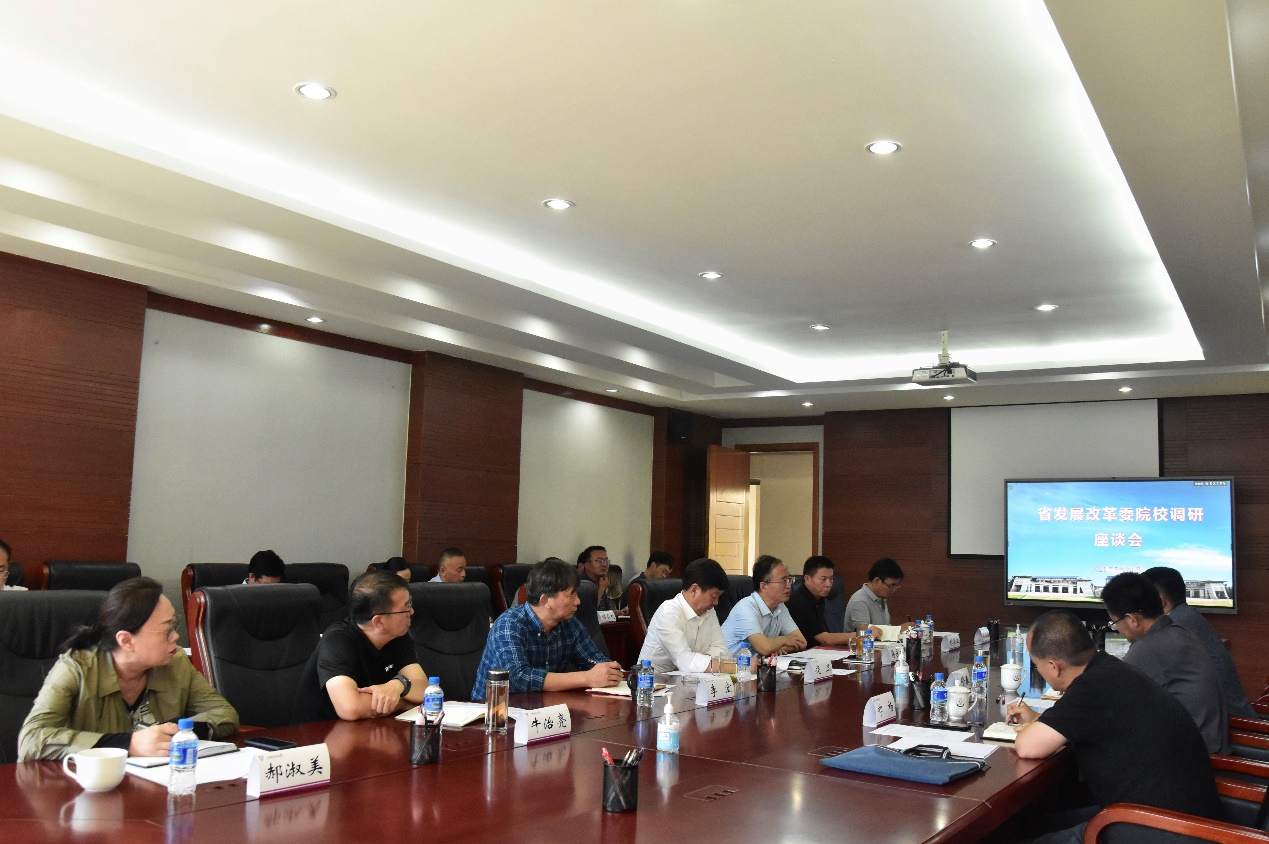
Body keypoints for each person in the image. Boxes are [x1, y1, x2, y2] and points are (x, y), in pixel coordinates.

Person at [1007, 610, 1220, 844]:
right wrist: (1039, 720)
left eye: (1036, 665)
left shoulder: (1091, 688)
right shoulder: (1110, 670)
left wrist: (1033, 729)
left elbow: (1028, 747)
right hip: (1180, 818)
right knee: (1032, 825)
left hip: (1159, 829)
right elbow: (1086, 719)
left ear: (1053, 666)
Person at [18, 577, 239, 761]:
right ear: (126, 640)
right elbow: (31, 739)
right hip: (85, 788)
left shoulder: (176, 662)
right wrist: (128, 744)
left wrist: (177, 732)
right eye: (166, 630)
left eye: (175, 625)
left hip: (154, 784)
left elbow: (224, 713)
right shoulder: (76, 668)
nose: (175, 636)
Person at [1100, 572, 1229, 754]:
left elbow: (1110, 701)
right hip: (1209, 746)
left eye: (1114, 623)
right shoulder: (1180, 632)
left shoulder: (1147, 648)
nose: (1117, 629)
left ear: (1132, 619)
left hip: (1195, 759)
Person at [472, 558, 622, 700]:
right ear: (545, 600)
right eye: (571, 595)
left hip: (543, 708)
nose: (578, 601)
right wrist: (586, 678)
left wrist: (610, 671)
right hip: (494, 711)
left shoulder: (569, 623)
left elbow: (595, 659)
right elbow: (518, 678)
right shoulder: (509, 624)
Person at [293, 570, 428, 723]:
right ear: (379, 621)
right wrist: (405, 703)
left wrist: (398, 686)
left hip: (369, 727)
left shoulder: (397, 636)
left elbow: (424, 689)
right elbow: (350, 708)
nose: (412, 611)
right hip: (320, 732)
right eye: (405, 608)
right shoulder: (337, 641)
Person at [1143, 565, 1256, 719]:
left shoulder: (1174, 626)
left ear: (1160, 601)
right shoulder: (1188, 616)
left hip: (1233, 726)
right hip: (1230, 718)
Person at [637, 557, 730, 673]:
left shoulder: (709, 611)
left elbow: (721, 649)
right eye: (714, 596)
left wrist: (700, 662)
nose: (716, 602)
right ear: (694, 590)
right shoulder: (668, 612)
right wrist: (729, 666)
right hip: (654, 681)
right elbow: (684, 660)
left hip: (691, 679)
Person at [720, 555, 806, 656]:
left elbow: (802, 642)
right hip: (730, 664)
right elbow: (764, 648)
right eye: (783, 581)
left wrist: (779, 649)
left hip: (757, 663)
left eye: (789, 579)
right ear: (764, 586)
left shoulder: (780, 607)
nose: (789, 585)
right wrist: (784, 639)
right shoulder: (746, 608)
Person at [785, 556, 856, 648]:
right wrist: (860, 635)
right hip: (803, 652)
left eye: (831, 578)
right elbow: (825, 639)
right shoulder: (799, 602)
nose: (829, 584)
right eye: (823, 579)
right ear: (807, 579)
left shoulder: (819, 597)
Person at [845, 557, 903, 635]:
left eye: (896, 586)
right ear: (877, 581)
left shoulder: (881, 598)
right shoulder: (859, 601)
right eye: (891, 585)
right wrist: (898, 630)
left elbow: (885, 628)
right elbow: (866, 633)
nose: (893, 590)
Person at [577, 545, 612, 612]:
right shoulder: (580, 583)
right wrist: (601, 589)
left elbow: (606, 611)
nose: (604, 565)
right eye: (599, 561)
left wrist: (621, 612)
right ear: (586, 565)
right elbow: (587, 612)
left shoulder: (601, 580)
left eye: (606, 561)